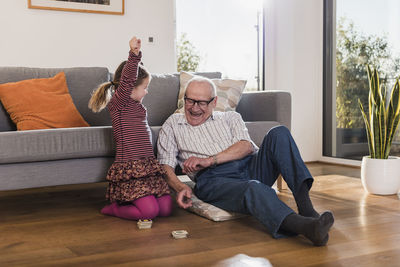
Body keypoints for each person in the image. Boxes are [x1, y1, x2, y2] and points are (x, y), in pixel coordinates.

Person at [157, 76, 334, 246]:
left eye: (201, 102)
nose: (194, 108)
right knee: (253, 187)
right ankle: (307, 228)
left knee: (279, 133)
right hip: (214, 180)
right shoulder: (173, 124)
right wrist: (181, 187)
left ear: (214, 102)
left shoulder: (229, 117)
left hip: (249, 165)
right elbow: (165, 166)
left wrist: (209, 160)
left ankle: (306, 208)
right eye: (190, 101)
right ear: (185, 99)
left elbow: (246, 147)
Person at [88, 36, 172, 221]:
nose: (147, 91)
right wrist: (134, 55)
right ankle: (115, 209)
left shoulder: (138, 106)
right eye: (145, 87)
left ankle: (141, 202)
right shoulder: (120, 103)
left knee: (165, 210)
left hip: (147, 166)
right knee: (149, 213)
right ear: (130, 89)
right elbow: (126, 80)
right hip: (131, 169)